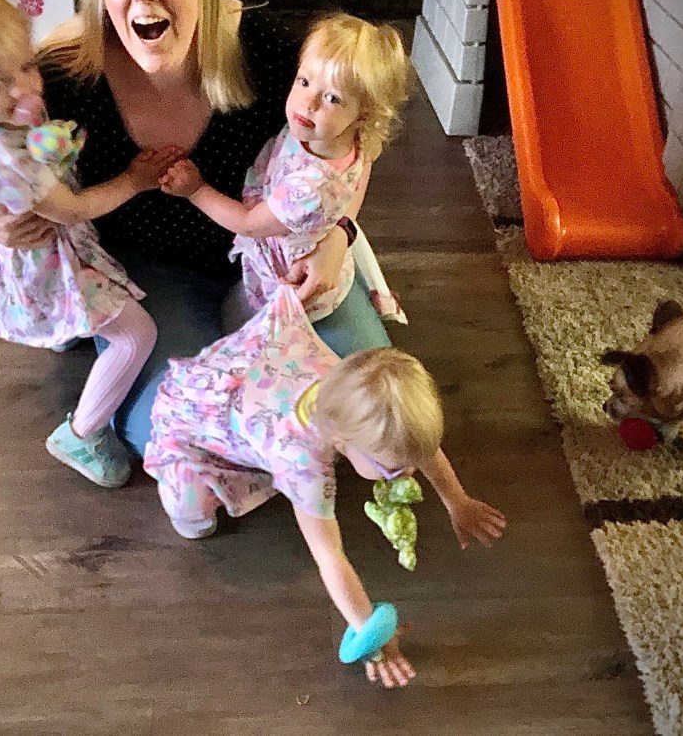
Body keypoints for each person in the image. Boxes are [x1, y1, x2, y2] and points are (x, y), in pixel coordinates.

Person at [0, 0, 392, 462]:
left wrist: (340, 235)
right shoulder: (63, 71)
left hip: (279, 257)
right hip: (155, 273)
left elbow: (360, 141)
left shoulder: (269, 51)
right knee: (173, 436)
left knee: (375, 412)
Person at [144, 284, 507, 687]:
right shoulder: (303, 464)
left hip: (262, 371)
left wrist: (457, 500)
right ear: (340, 442)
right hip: (190, 418)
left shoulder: (348, 391)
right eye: (391, 469)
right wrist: (371, 636)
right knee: (193, 514)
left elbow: (420, 448)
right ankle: (195, 488)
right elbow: (330, 556)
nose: (408, 474)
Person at [0, 0, 176, 488]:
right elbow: (74, 210)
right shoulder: (3, 159)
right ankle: (82, 435)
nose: (24, 89)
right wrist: (135, 179)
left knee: (84, 323)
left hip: (36, 247)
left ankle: (66, 333)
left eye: (26, 66)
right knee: (136, 335)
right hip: (51, 261)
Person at [159, 12, 410, 324]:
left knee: (239, 321)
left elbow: (249, 224)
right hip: (289, 233)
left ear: (363, 115)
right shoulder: (333, 135)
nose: (308, 102)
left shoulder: (311, 186)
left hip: (286, 279)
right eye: (304, 81)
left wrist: (195, 190)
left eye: (332, 98)